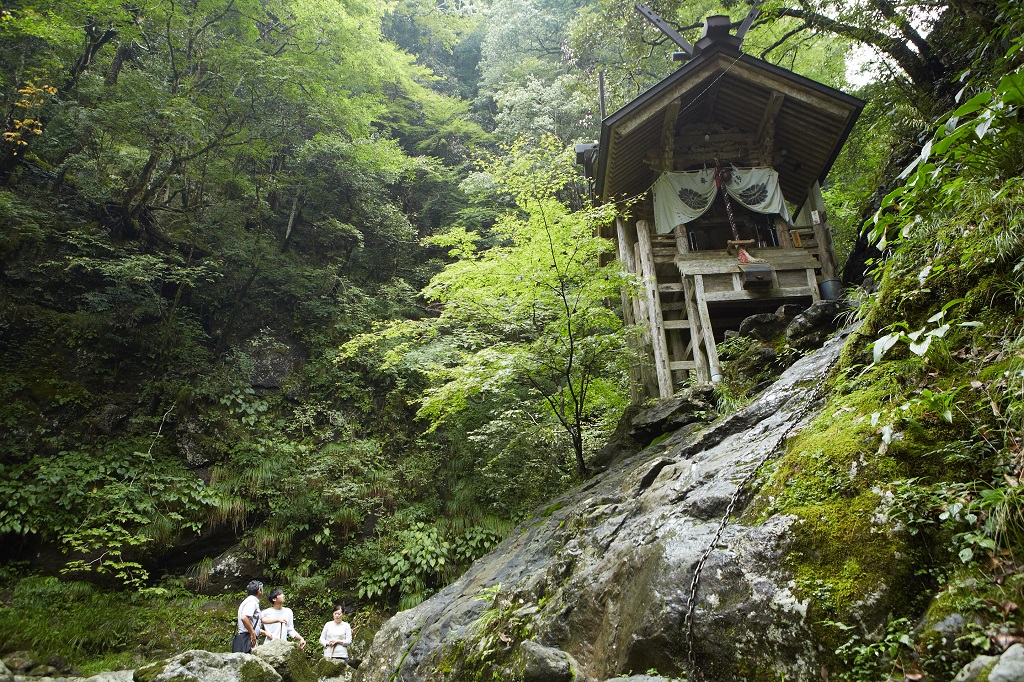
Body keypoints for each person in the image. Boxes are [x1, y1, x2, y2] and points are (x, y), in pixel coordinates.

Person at [232, 580, 264, 653]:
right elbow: (244, 617)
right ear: (259, 590)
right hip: (248, 638)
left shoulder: (249, 601)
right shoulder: (251, 602)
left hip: (246, 637)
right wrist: (252, 633)